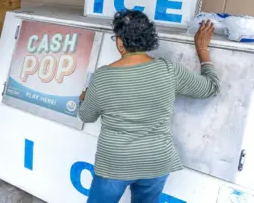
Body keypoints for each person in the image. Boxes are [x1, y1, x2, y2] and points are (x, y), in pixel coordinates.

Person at [79, 10, 221, 203]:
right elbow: (211, 88)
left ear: (120, 42)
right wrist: (202, 50)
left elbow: (87, 116)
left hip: (115, 163)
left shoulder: (103, 77)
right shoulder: (169, 70)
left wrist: (84, 98)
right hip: (156, 162)